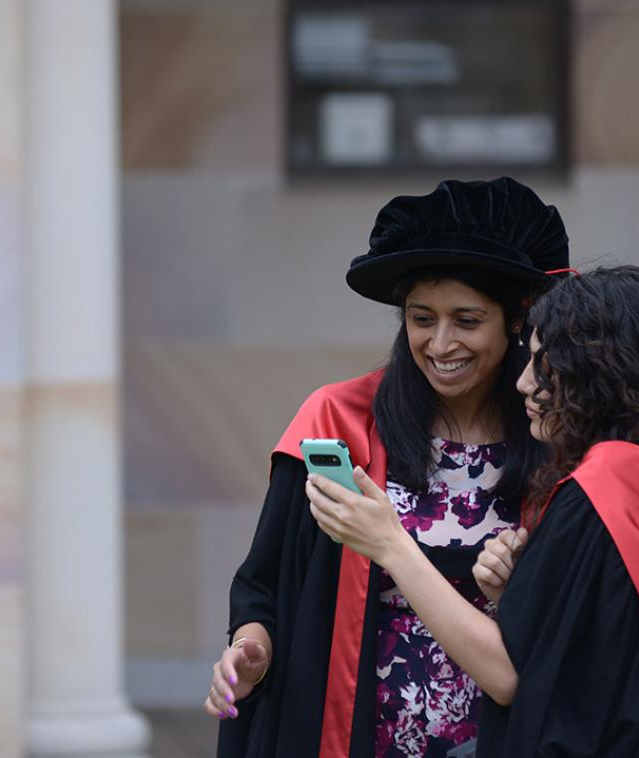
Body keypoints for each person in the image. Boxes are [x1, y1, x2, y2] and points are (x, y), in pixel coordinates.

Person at [307, 266, 639, 756]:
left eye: (544, 365)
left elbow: (511, 673)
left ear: (602, 377)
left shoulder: (596, 494)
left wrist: (390, 545)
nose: (523, 384)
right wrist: (517, 597)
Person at [204, 178, 570, 758]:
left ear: (517, 319)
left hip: (506, 734)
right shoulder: (339, 421)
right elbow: (262, 584)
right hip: (355, 734)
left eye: (467, 320)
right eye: (422, 318)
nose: (441, 343)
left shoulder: (552, 439)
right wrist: (253, 648)